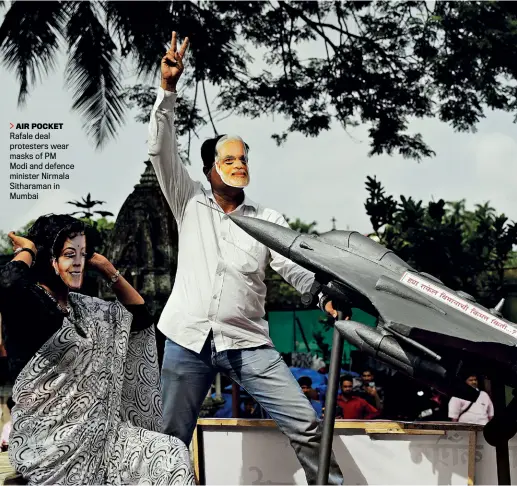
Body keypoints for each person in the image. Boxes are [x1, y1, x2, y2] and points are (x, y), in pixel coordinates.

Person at [148, 32, 344, 485]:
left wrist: (322, 296)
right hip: (186, 341)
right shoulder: (189, 200)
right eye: (228, 158)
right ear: (209, 169)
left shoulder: (266, 218)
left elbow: (294, 266)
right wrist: (168, 90)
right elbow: (160, 151)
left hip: (247, 344)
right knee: (170, 437)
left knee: (307, 423)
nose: (239, 164)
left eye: (243, 158)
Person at [0, 215, 194, 485]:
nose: (79, 262)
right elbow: (8, 284)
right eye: (70, 254)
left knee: (170, 453)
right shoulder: (30, 306)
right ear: (49, 259)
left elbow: (140, 318)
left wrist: (106, 267)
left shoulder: (86, 309)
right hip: (49, 445)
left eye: (83, 253)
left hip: (103, 437)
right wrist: (28, 251)